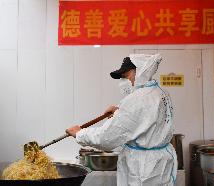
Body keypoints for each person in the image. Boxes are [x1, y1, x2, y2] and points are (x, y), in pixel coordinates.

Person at [66, 54, 177, 186]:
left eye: (126, 76)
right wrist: (119, 111)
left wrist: (79, 133)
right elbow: (145, 118)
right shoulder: (160, 92)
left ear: (141, 71)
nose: (123, 81)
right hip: (160, 163)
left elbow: (106, 138)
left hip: (143, 169)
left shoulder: (136, 100)